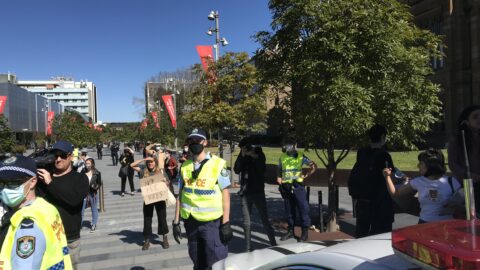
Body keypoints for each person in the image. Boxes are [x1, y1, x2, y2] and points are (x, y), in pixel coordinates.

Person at [172, 128, 233, 270]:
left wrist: (226, 222)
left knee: (217, 261)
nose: (194, 143)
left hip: (211, 224)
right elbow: (180, 194)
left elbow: (225, 194)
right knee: (197, 260)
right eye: (191, 140)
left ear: (204, 142)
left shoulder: (218, 164)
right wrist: (176, 222)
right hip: (191, 222)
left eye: (197, 140)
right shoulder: (185, 166)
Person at [0, 155, 73, 269]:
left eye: (13, 183)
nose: (5, 189)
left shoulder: (27, 225)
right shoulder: (45, 207)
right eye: (1, 183)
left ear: (32, 181)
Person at [36, 140, 90, 269]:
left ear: (70, 156)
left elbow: (73, 200)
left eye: (62, 155)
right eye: (55, 155)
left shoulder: (79, 178)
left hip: (69, 239)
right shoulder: (44, 177)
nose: (58, 159)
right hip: (46, 237)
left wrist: (50, 183)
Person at [384, 149, 461, 223]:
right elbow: (395, 193)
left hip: (446, 226)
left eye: (421, 163)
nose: (418, 166)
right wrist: (387, 176)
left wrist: (455, 205)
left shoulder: (451, 181)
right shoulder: (418, 181)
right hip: (424, 224)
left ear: (431, 164)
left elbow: (466, 205)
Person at [349, 124, 395, 238]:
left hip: (362, 198)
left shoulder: (362, 152)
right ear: (383, 136)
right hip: (379, 201)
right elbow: (389, 174)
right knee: (380, 233)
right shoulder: (384, 155)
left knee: (361, 231)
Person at [234, 138, 276, 251]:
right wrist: (242, 156)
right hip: (245, 193)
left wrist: (254, 157)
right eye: (243, 148)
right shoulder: (242, 155)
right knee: (246, 223)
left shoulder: (259, 153)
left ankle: (273, 244)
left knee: (265, 220)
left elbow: (262, 169)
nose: (246, 149)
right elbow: (236, 170)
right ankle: (248, 248)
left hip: (258, 192)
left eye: (247, 147)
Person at [277, 141, 317, 242]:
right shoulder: (282, 157)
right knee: (289, 210)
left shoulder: (300, 156)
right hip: (286, 187)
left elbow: (313, 166)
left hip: (298, 186)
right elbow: (279, 173)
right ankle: (291, 231)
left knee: (303, 209)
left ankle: (305, 233)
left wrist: (305, 175)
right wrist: (281, 182)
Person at [131, 155, 170, 250]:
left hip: (159, 198)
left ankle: (164, 237)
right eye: (148, 162)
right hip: (148, 198)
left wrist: (165, 182)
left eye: (152, 162)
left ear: (155, 162)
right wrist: (144, 159)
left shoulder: (160, 171)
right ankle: (147, 240)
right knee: (147, 219)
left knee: (162, 218)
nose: (150, 164)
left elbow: (168, 183)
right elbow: (132, 165)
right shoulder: (143, 171)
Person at [448, 105, 480, 214]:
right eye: (475, 117)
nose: (479, 119)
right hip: (468, 184)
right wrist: (469, 174)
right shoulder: (457, 139)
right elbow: (453, 164)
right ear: (466, 121)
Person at [81, 158, 102, 233]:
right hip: (83, 193)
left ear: (92, 164)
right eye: (86, 163)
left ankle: (94, 224)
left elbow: (99, 183)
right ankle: (79, 224)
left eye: (88, 163)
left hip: (93, 193)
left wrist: (95, 187)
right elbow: (79, 180)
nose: (87, 165)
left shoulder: (97, 172)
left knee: (94, 209)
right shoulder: (83, 171)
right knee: (81, 209)